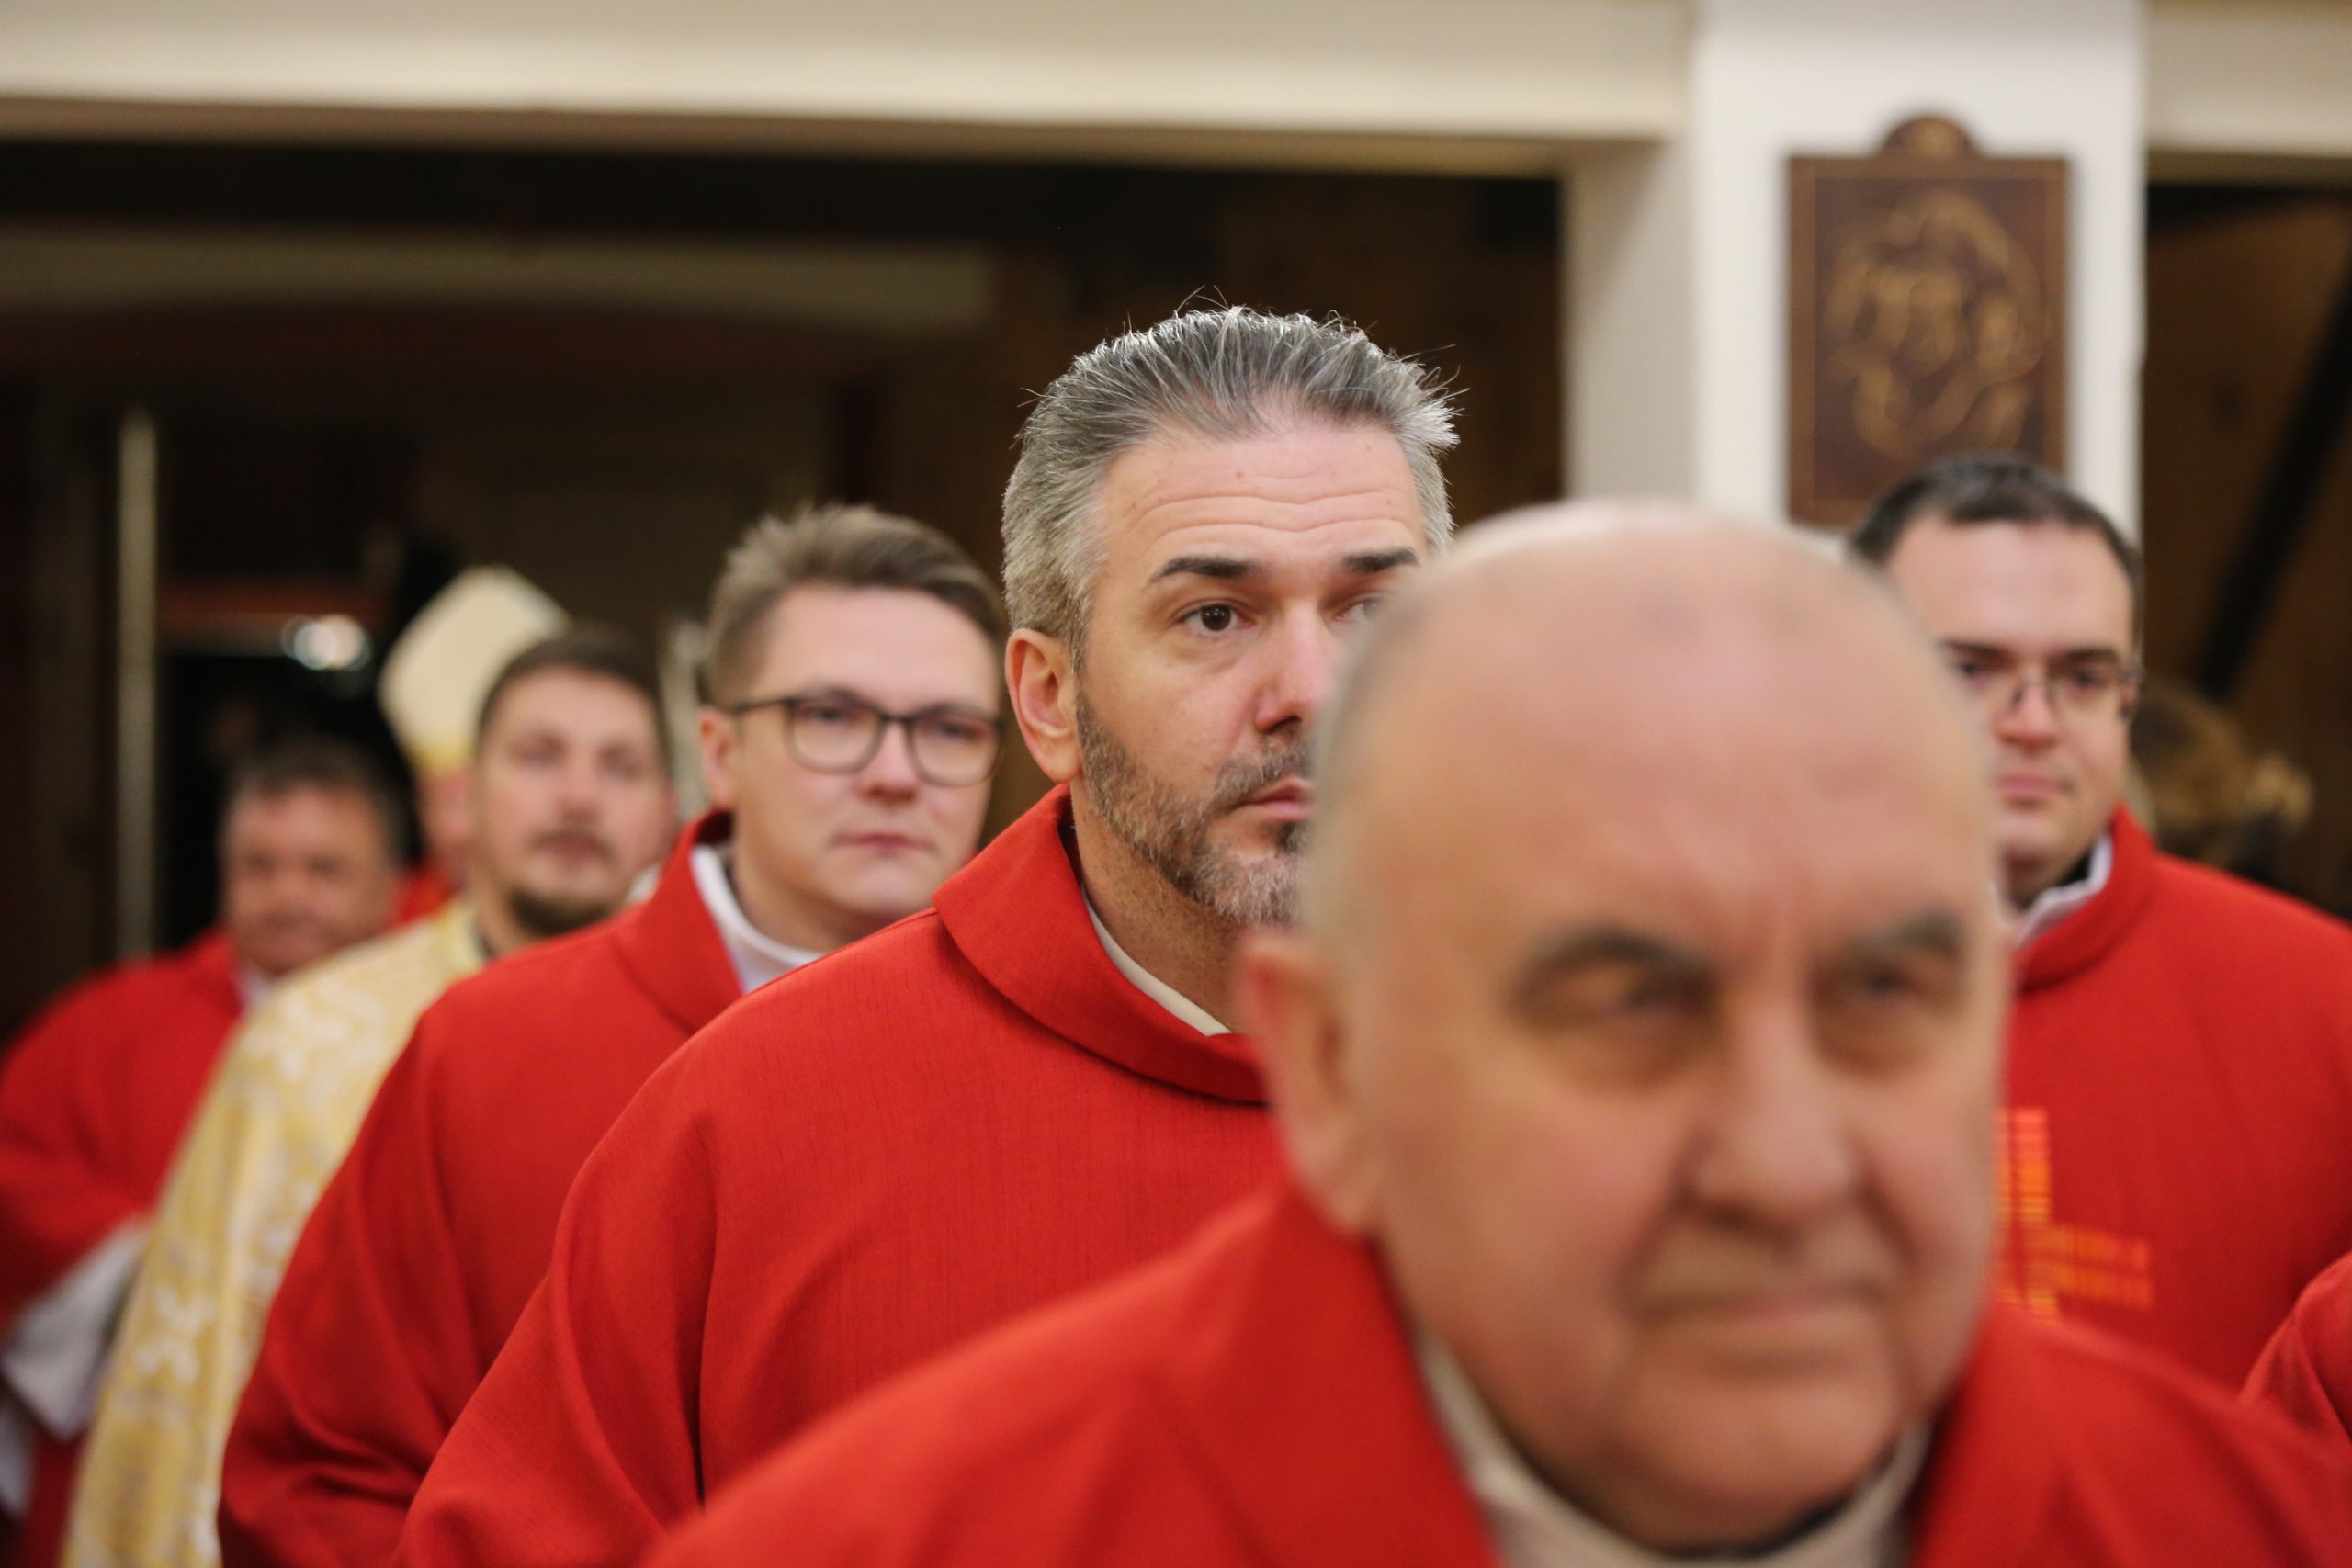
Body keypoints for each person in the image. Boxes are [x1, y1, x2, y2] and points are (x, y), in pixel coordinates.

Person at [648, 506, 2352, 1568]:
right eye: (1629, 1007)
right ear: (1334, 1072)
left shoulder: (2238, 1526)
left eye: (1884, 997)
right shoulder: (923, 1536)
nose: (1784, 1160)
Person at [387, 306, 1455, 1568]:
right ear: (1048, 700)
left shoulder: (1589, 1083)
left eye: (1372, 609)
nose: (1311, 695)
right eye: (1216, 615)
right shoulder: (759, 1111)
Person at [218, 504, 1002, 1568]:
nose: (895, 773)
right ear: (717, 753)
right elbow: (320, 1477)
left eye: (949, 730)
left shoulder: (1041, 1054)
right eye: (830, 716)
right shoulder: (488, 1045)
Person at [63, 628, 667, 1568]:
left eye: (621, 766)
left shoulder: (721, 1041)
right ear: (460, 799)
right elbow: (198, 1388)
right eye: (539, 756)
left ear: (671, 806)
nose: (580, 796)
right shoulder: (305, 1043)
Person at [1849, 454, 2352, 1387]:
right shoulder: (1726, 979)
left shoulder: (2326, 998)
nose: (2034, 721)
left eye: (2083, 676)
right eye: (1972, 669)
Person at [0, 738, 403, 1568]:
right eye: (261, 866)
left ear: (390, 886)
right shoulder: (110, 1024)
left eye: (324, 869)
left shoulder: (440, 1026)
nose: (289, 894)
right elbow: (16, 1170)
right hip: (137, 1440)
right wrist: (165, 1264)